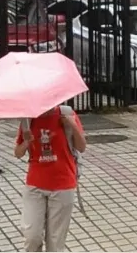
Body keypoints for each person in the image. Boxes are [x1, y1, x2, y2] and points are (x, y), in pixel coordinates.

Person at [15, 106, 86, 252]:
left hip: (63, 184)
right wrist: (26, 142)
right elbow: (17, 153)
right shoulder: (28, 119)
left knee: (55, 242)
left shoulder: (67, 113)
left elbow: (81, 147)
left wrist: (72, 124)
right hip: (35, 185)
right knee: (32, 237)